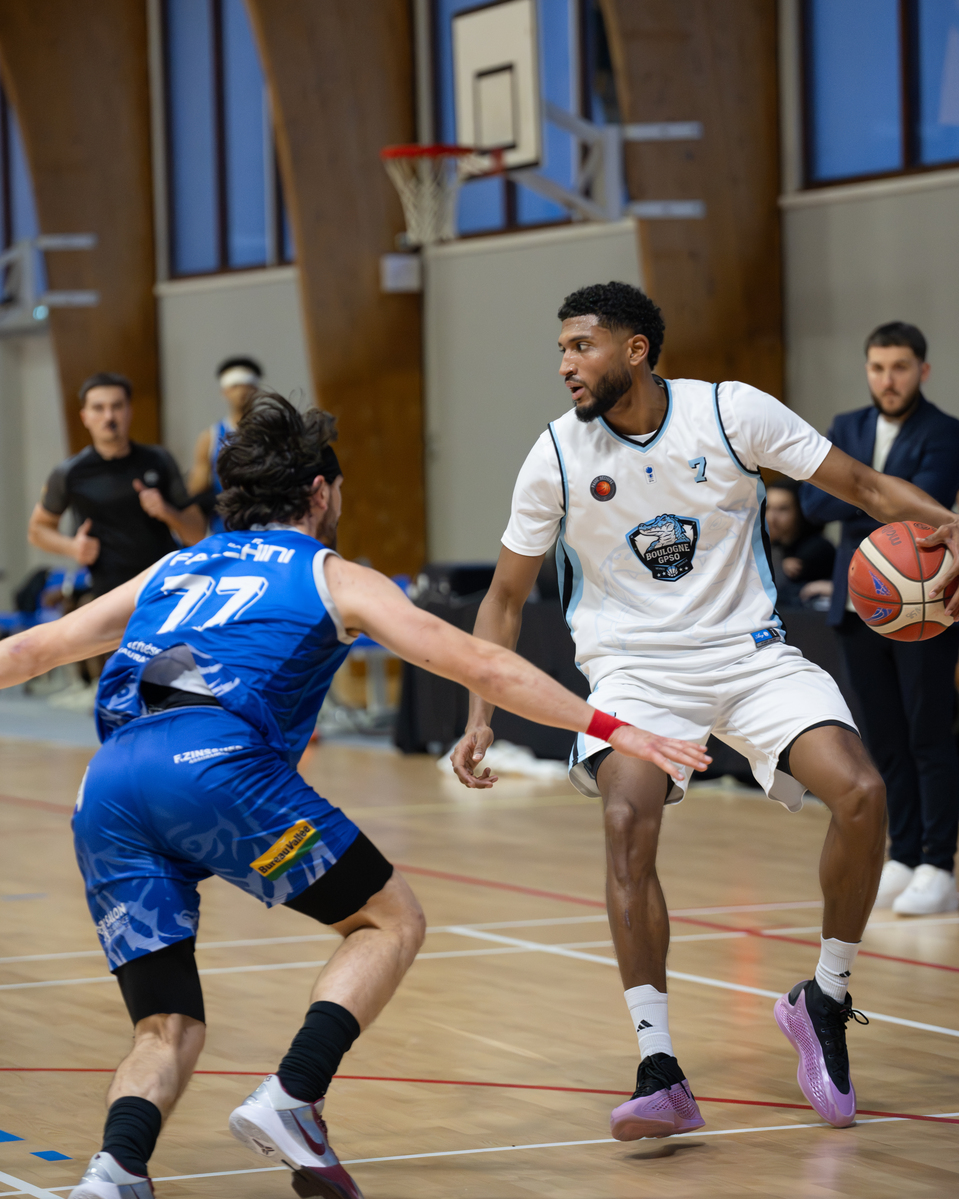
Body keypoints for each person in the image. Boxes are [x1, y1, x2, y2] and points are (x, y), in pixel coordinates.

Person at [0, 393, 709, 1199]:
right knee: (389, 918)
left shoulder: (173, 568)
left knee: (167, 1022)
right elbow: (481, 662)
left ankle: (115, 1170)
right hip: (214, 764)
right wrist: (615, 727)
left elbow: (28, 651)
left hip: (108, 786)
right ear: (320, 492)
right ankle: (293, 1095)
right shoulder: (329, 574)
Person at [450, 282, 959, 1140]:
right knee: (627, 817)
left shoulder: (729, 413)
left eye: (581, 346)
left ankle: (823, 998)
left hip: (749, 654)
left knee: (862, 793)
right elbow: (502, 599)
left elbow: (866, 486)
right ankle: (659, 1066)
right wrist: (479, 714)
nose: (565, 363)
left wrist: (948, 524)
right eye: (562, 348)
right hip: (634, 671)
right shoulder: (555, 454)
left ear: (635, 349)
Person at [801, 322, 959, 916]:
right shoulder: (846, 426)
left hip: (926, 606)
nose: (887, 379)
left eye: (899, 367)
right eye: (877, 367)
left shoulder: (945, 432)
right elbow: (813, 501)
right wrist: (873, 494)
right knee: (884, 739)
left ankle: (939, 863)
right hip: (857, 606)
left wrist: (860, 489)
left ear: (922, 370)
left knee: (929, 735)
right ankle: (905, 852)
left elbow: (924, 507)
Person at [27, 373, 205, 706]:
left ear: (129, 411)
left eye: (116, 406)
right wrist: (72, 547)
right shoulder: (70, 472)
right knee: (123, 697)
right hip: (111, 597)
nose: (109, 416)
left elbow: (197, 533)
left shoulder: (158, 461)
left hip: (165, 590)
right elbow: (37, 529)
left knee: (176, 692)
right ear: (85, 416)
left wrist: (167, 511)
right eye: (99, 408)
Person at [188, 356, 263, 533]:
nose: (241, 391)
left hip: (266, 525)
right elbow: (197, 488)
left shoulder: (271, 433)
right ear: (224, 391)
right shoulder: (210, 437)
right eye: (235, 385)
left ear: (256, 389)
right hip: (225, 528)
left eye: (247, 385)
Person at [765, 479, 835, 609]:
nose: (771, 517)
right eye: (767, 508)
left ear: (801, 510)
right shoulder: (771, 546)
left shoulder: (817, 549)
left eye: (782, 509)